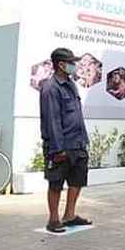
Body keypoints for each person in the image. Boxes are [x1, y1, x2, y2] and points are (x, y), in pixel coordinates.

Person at [40, 48, 92, 233]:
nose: (74, 66)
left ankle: (70, 215)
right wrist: (57, 149)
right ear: (61, 65)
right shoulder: (50, 88)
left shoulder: (71, 84)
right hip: (61, 146)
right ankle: (53, 219)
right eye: (71, 62)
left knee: (77, 181)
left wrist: (83, 142)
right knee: (56, 183)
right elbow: (52, 119)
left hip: (78, 143)